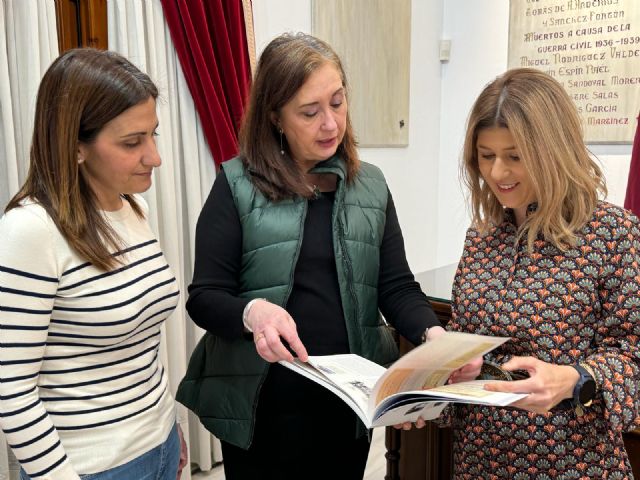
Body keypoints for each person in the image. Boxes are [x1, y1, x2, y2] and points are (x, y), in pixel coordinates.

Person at [176, 32, 479, 480]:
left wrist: (432, 335)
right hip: (263, 408)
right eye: (309, 112)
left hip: (347, 403)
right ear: (276, 117)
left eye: (337, 103)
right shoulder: (237, 184)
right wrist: (253, 312)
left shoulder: (369, 185)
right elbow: (204, 297)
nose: (330, 124)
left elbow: (395, 286)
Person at [0, 49, 187, 479]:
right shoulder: (29, 231)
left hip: (158, 445)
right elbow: (13, 390)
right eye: (132, 142)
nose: (154, 157)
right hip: (91, 467)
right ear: (76, 146)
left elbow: (140, 345)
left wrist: (169, 428)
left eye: (153, 134)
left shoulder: (132, 208)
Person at [445, 67, 640, 478]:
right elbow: (463, 343)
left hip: (573, 464)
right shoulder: (481, 238)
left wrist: (575, 379)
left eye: (515, 156)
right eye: (487, 156)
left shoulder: (613, 234)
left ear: (553, 150)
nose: (498, 173)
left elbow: (634, 355)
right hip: (480, 461)